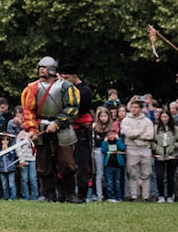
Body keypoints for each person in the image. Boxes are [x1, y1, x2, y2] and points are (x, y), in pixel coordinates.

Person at [21, 55, 78, 202]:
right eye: (40, 67)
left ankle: (69, 194)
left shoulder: (66, 86)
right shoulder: (33, 87)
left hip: (63, 128)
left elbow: (72, 107)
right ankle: (48, 195)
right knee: (43, 164)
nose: (41, 70)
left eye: (44, 67)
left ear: (51, 69)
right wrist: (32, 129)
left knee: (67, 163)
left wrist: (57, 123)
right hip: (41, 128)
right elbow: (28, 110)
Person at [59, 65, 95, 203]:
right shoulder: (66, 89)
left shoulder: (84, 91)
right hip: (67, 128)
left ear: (75, 76)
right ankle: (65, 193)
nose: (64, 81)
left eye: (67, 78)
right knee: (65, 161)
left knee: (82, 163)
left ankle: (81, 194)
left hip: (81, 130)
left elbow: (74, 110)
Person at [119, 97, 154, 202]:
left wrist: (136, 135)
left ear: (140, 109)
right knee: (133, 174)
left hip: (145, 148)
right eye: (132, 107)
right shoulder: (126, 120)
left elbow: (150, 135)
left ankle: (146, 196)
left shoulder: (147, 121)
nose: (134, 109)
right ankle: (134, 195)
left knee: (146, 173)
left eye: (136, 107)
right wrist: (141, 132)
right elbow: (128, 133)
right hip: (132, 148)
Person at [151, 108, 178, 203]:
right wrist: (157, 149)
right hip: (159, 155)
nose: (164, 119)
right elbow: (152, 141)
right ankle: (161, 195)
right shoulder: (156, 128)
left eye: (166, 116)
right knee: (160, 176)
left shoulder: (175, 129)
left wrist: (173, 147)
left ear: (169, 118)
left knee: (170, 177)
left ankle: (169, 196)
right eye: (162, 117)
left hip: (172, 155)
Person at [100, 127, 125, 202]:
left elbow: (122, 148)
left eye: (113, 134)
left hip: (118, 165)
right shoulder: (106, 143)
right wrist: (104, 142)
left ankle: (119, 197)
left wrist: (118, 140)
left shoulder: (118, 141)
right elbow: (103, 150)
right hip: (109, 166)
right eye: (109, 135)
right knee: (109, 182)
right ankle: (111, 197)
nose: (111, 136)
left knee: (118, 182)